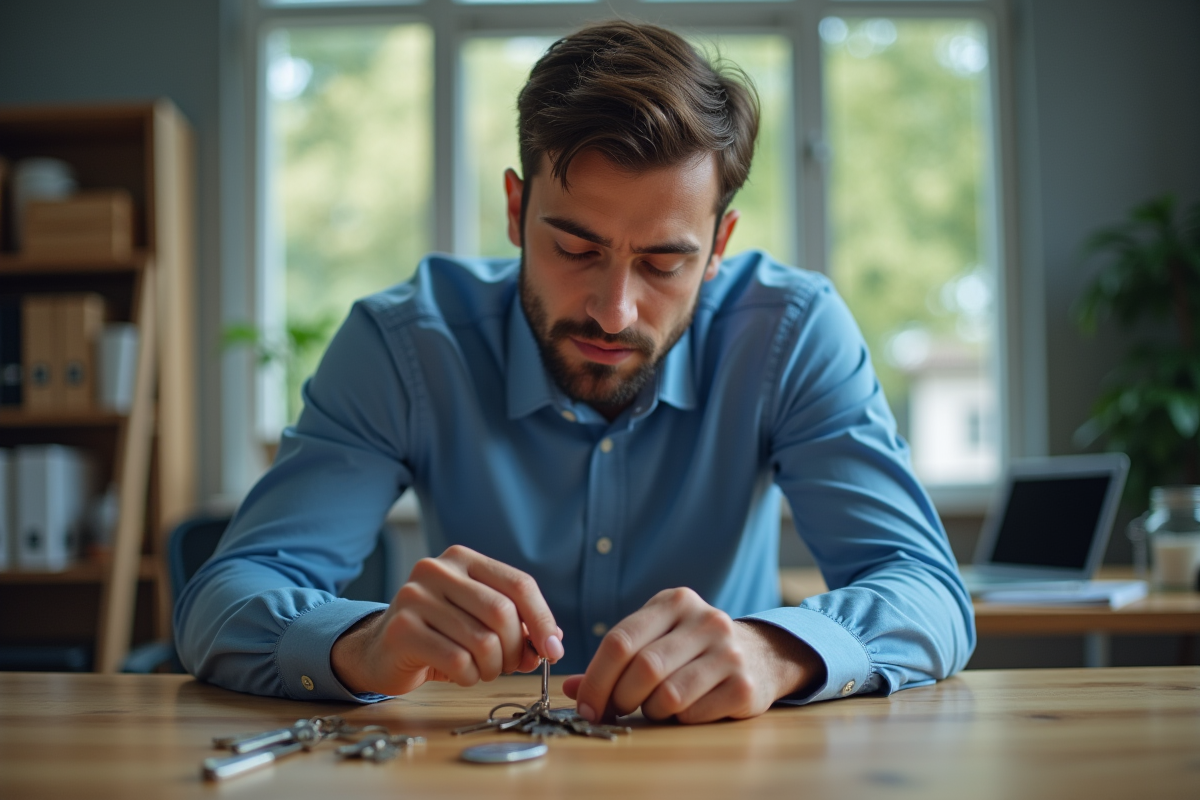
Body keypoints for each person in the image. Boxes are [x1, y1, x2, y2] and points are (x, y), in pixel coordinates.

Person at [176, 20, 975, 725]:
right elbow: (226, 596)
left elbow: (926, 590)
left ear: (719, 245)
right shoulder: (403, 345)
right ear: (518, 212)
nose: (614, 310)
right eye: (576, 248)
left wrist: (774, 651)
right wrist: (361, 642)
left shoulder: (791, 334)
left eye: (664, 262)